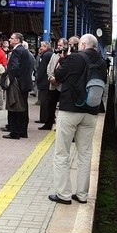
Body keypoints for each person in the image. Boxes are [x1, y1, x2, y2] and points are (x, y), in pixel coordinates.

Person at [49, 33, 107, 205]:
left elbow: (56, 77)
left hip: (70, 110)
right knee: (85, 154)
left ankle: (63, 194)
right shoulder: (103, 62)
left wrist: (64, 57)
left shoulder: (74, 58)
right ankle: (82, 194)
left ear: (82, 44)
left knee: (62, 153)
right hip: (91, 111)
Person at [1, 33, 35, 139]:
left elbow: (14, 67)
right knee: (23, 107)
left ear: (17, 40)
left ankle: (15, 132)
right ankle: (22, 131)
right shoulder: (25, 51)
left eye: (11, 38)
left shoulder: (16, 51)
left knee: (15, 106)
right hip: (25, 83)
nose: (9, 40)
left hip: (17, 83)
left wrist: (9, 80)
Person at [43, 37, 68, 131]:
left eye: (60, 45)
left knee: (61, 107)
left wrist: (57, 79)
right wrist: (50, 77)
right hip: (52, 84)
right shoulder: (54, 54)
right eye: (58, 45)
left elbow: (66, 70)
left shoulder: (67, 56)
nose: (58, 47)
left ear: (65, 46)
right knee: (50, 104)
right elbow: (49, 66)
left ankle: (59, 126)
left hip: (61, 85)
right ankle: (48, 123)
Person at [35, 40, 53, 126]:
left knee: (44, 101)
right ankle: (47, 117)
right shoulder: (50, 54)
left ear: (46, 47)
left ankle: (44, 118)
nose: (40, 48)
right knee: (47, 100)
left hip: (44, 82)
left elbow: (42, 69)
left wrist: (38, 79)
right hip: (48, 82)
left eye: (42, 46)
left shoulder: (45, 55)